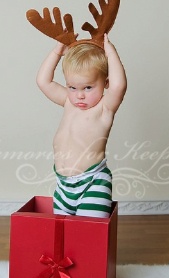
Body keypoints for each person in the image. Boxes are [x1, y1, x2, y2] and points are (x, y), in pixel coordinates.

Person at [36, 33, 127, 218]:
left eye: (88, 88)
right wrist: (57, 51)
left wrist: (110, 52)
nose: (80, 95)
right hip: (63, 186)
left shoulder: (104, 108)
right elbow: (43, 81)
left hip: (92, 182)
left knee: (88, 234)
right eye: (72, 87)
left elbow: (119, 86)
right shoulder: (68, 102)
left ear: (105, 83)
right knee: (65, 236)